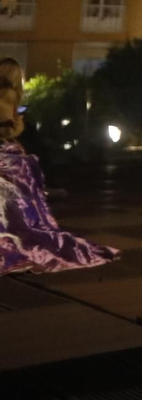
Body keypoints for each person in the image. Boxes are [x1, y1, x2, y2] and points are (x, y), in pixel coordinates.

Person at [0, 59, 118, 275]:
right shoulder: (7, 94)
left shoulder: (8, 95)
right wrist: (17, 126)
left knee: (27, 156)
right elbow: (8, 128)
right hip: (5, 152)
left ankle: (43, 189)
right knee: (24, 163)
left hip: (6, 149)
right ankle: (43, 192)